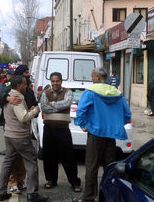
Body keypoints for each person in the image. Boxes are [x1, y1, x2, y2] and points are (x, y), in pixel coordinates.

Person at [73, 67, 131, 202]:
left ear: (98, 78)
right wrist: (114, 124)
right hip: (110, 136)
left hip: (95, 134)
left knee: (91, 167)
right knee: (109, 167)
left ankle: (88, 197)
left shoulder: (91, 92)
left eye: (93, 77)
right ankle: (108, 195)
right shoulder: (117, 93)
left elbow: (80, 111)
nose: (92, 79)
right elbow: (127, 114)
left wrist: (83, 125)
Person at [0, 75, 48, 202]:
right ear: (19, 85)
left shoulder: (9, 96)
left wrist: (28, 110)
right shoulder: (17, 98)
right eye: (25, 84)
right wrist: (35, 110)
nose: (27, 86)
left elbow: (19, 114)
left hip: (9, 135)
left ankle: (1, 192)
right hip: (20, 137)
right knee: (31, 163)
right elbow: (23, 117)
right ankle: (32, 194)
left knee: (7, 164)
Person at [40, 72, 81, 192]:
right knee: (49, 156)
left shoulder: (68, 92)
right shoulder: (45, 92)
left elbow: (66, 103)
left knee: (68, 156)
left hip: (63, 130)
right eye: (53, 81)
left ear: (61, 81)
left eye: (57, 81)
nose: (55, 83)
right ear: (50, 82)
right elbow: (43, 107)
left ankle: (74, 182)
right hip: (49, 129)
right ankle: (51, 180)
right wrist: (58, 107)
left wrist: (51, 104)